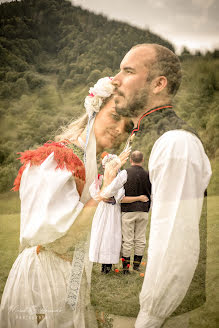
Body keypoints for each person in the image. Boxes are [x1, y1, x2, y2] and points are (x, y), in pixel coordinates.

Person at [0, 77, 132, 328]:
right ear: (95, 109)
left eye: (127, 126)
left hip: (71, 276)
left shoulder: (89, 163)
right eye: (115, 117)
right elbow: (61, 242)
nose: (120, 129)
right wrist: (103, 193)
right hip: (46, 278)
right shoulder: (57, 159)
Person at [112, 44, 212, 327]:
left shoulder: (175, 142)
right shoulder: (142, 136)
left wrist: (150, 317)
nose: (114, 80)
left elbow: (173, 241)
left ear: (158, 84)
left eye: (127, 71)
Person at [89, 152, 148, 274]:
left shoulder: (119, 180)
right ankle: (103, 263)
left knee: (113, 235)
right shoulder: (99, 178)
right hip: (103, 210)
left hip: (114, 209)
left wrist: (109, 197)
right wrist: (101, 197)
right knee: (102, 234)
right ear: (105, 166)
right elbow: (93, 191)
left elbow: (120, 195)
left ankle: (110, 264)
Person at [120, 150, 151, 274]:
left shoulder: (125, 173)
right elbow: (152, 192)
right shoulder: (149, 174)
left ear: (130, 160)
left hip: (128, 210)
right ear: (143, 160)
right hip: (143, 210)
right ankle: (137, 266)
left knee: (127, 240)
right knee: (140, 239)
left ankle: (126, 269)